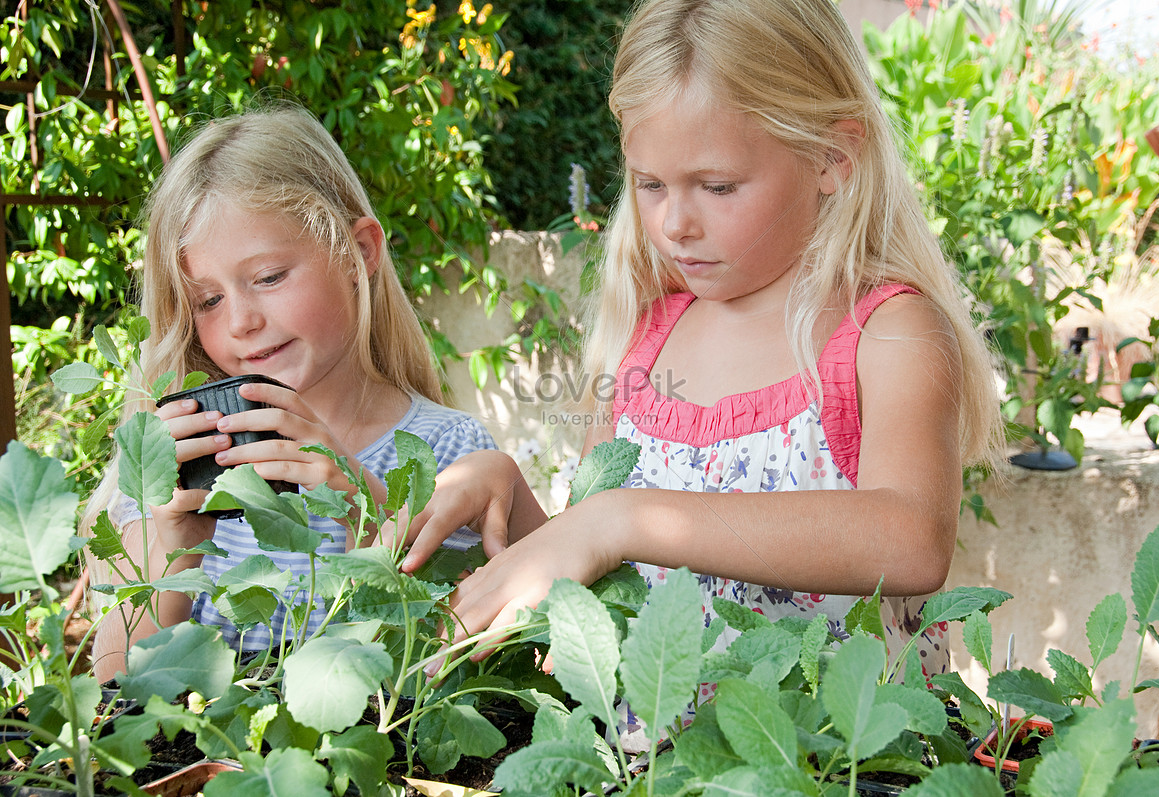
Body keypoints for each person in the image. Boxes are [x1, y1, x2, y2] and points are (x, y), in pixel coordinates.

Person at [406, 0, 1004, 747]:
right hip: (653, 767)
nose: (674, 223)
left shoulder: (884, 333)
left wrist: (619, 517)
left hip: (835, 765)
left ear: (830, 155)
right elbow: (603, 571)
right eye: (650, 184)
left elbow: (912, 539)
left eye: (716, 186)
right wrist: (513, 499)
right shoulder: (645, 340)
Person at [86, 105, 496, 682]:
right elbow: (115, 693)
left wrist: (365, 506)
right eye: (208, 301)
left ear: (362, 253)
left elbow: (457, 671)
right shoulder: (175, 462)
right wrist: (172, 543)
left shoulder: (443, 451)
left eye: (270, 277)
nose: (241, 322)